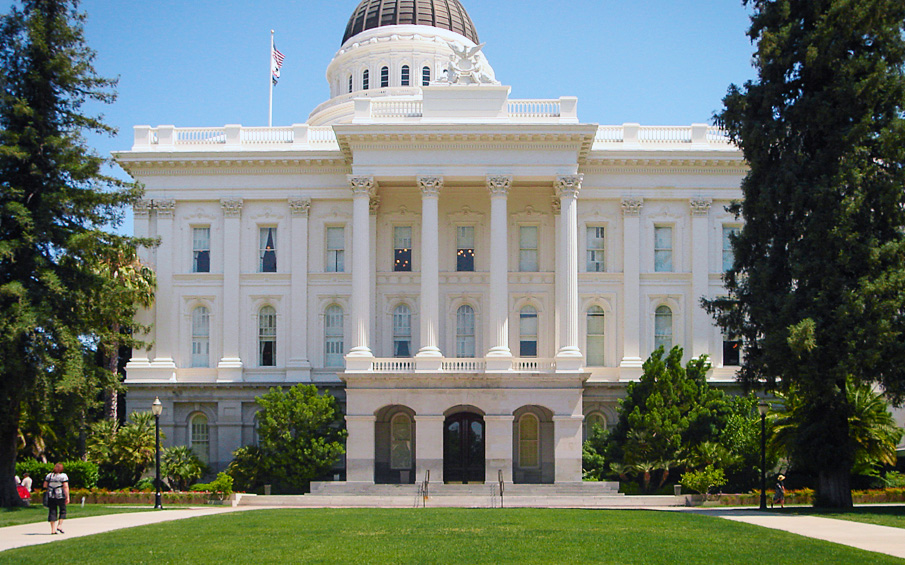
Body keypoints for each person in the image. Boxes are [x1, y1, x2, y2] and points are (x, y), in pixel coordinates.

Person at [43, 463, 70, 535]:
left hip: (51, 495)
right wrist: (67, 497)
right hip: (60, 495)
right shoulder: (63, 476)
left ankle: (52, 529)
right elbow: (65, 487)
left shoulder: (49, 475)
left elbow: (45, 485)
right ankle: (59, 526)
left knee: (52, 511)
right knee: (62, 510)